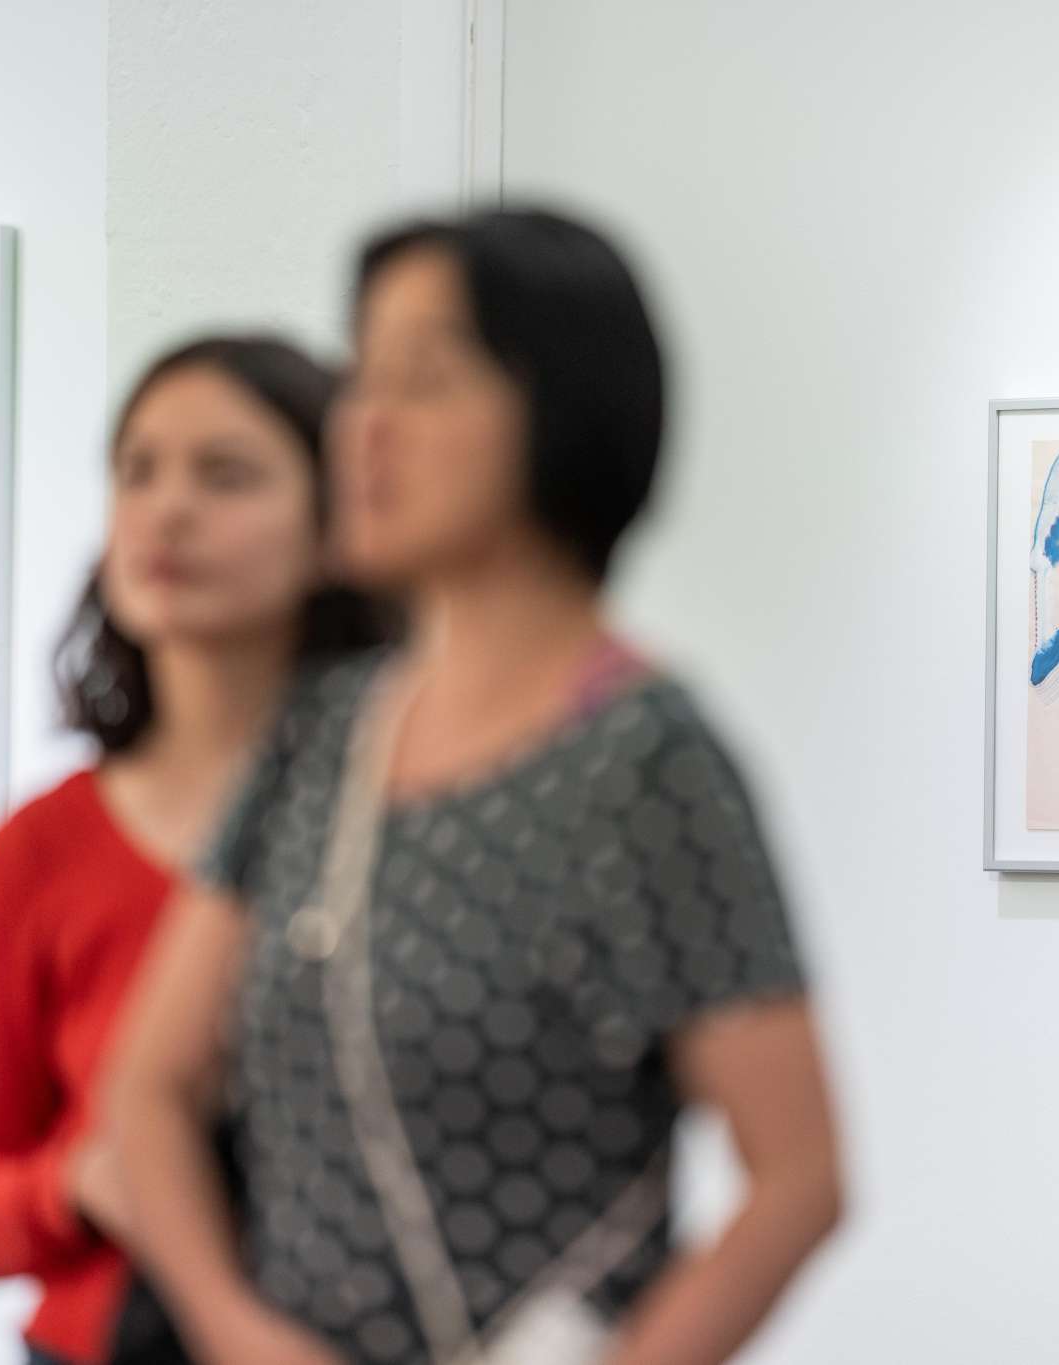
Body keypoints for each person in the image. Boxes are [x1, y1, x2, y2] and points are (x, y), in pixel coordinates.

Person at [109, 209, 844, 1365]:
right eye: (363, 375)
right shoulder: (320, 731)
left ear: (559, 411)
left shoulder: (648, 763)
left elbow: (797, 1176)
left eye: (424, 379)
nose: (366, 424)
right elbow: (148, 1089)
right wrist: (236, 1331)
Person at [0, 335, 385, 1365]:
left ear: (335, 524)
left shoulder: (408, 816)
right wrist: (77, 1183)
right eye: (137, 471)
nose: (167, 510)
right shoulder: (41, 845)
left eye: (226, 474)